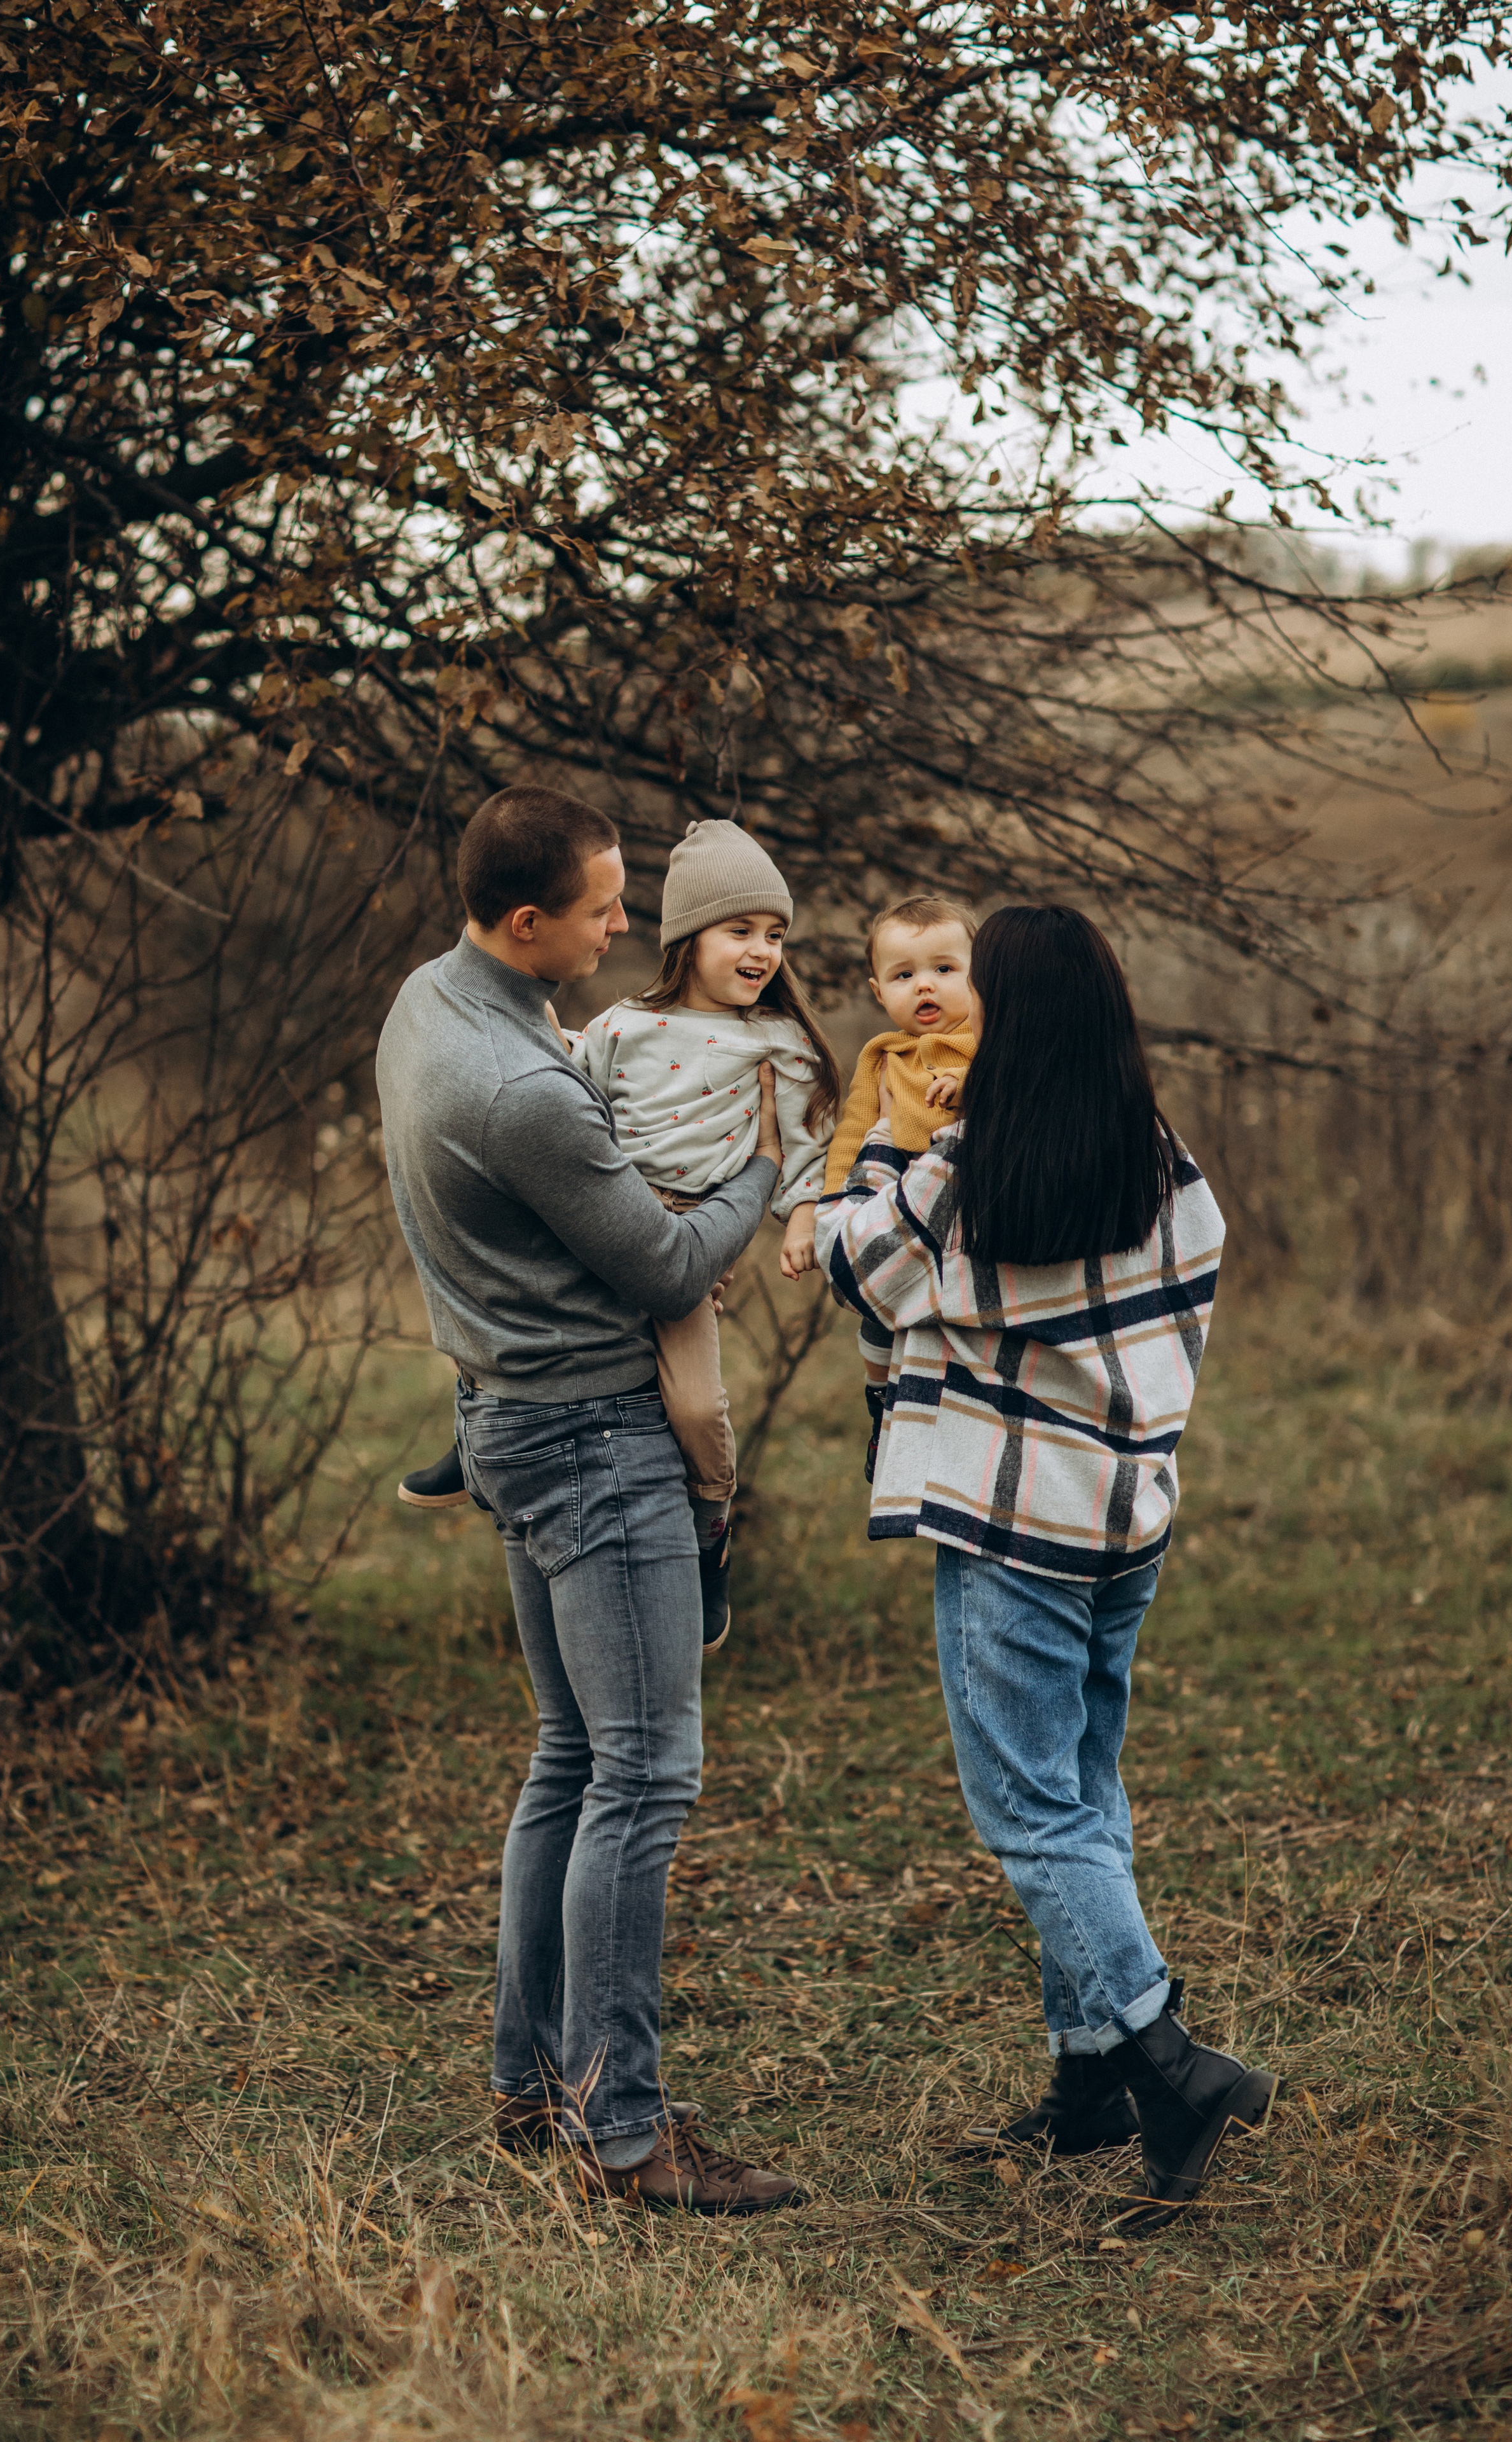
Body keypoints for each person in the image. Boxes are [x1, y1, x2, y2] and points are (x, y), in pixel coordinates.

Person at [816, 904, 1281, 2232]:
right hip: (1125, 1519)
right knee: (1083, 1786)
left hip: (1011, 1528)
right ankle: (1088, 2077)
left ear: (1004, 1020)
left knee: (1029, 1810)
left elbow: (853, 1264)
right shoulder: (1161, 1159)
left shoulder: (965, 1169)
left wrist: (873, 1150)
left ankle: (1165, 2061)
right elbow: (1191, 1291)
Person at [376, 785, 805, 2214]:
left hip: (505, 1414)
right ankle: (622, 2134)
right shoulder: (527, 1091)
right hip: (593, 1442)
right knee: (644, 1775)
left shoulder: (425, 1006)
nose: (625, 928)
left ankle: (529, 2081)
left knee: (571, 1756)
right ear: (524, 922)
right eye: (604, 909)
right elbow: (672, 1267)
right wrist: (759, 1165)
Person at [397, 818, 839, 1650]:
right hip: (613, 1209)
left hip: (693, 1224)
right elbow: (575, 1089)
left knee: (698, 1406)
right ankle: (475, 1442)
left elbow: (803, 1144)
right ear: (689, 939)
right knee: (513, 1290)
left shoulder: (778, 1043)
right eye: (740, 931)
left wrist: (801, 1217)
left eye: (775, 935)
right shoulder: (625, 1025)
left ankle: (711, 1529)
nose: (762, 951)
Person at [820, 895, 979, 1487]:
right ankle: (880, 1405)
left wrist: (965, 1083)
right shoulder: (881, 1057)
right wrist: (823, 1207)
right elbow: (853, 1134)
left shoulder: (982, 1043)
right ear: (878, 991)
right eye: (904, 976)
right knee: (879, 1322)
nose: (925, 986)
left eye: (944, 969)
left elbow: (1005, 1084)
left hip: (958, 1204)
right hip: (895, 1202)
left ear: (979, 977)